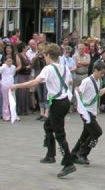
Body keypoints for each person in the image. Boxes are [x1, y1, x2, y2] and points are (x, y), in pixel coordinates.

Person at [10, 43, 76, 178]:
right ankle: (50, 154)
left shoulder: (48, 68)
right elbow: (69, 83)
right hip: (64, 102)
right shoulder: (65, 68)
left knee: (59, 133)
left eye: (44, 56)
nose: (44, 58)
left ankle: (68, 163)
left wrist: (17, 85)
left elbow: (35, 82)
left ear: (47, 55)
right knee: (48, 126)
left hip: (57, 103)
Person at [70, 61, 105, 165]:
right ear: (95, 70)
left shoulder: (98, 80)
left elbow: (97, 94)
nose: (102, 75)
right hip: (86, 112)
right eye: (101, 73)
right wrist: (77, 92)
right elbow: (78, 92)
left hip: (92, 111)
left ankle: (73, 154)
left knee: (85, 134)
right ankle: (83, 154)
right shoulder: (87, 81)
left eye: (104, 73)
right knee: (97, 132)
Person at [15, 42, 32, 116]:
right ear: (22, 48)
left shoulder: (26, 55)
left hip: (27, 75)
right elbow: (19, 65)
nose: (26, 48)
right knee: (21, 92)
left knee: (26, 93)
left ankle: (25, 109)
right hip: (21, 75)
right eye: (25, 47)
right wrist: (26, 67)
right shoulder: (18, 55)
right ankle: (20, 110)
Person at [0, 56, 16, 121]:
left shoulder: (13, 67)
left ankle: (14, 115)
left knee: (13, 100)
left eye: (10, 61)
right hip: (4, 85)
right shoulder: (2, 67)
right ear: (5, 62)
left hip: (12, 85)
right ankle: (6, 116)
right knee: (6, 101)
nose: (9, 62)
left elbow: (13, 74)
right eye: (8, 61)